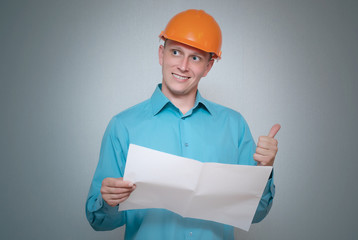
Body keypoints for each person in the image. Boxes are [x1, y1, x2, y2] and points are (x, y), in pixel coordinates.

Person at [86, 9, 280, 240]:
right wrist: (108, 201)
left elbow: (254, 214)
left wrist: (264, 170)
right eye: (176, 52)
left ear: (208, 66)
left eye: (195, 57)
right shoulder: (123, 126)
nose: (183, 66)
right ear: (162, 54)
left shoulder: (234, 125)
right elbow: (99, 222)